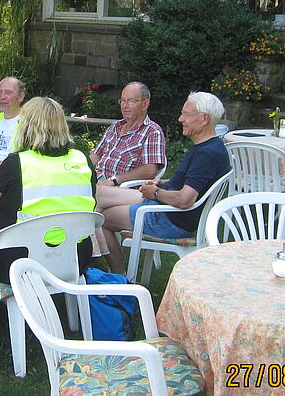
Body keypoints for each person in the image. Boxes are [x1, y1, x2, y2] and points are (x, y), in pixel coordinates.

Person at [95, 92, 231, 274]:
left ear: (204, 118)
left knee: (99, 218)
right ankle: (97, 263)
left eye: (186, 114)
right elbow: (191, 183)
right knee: (97, 195)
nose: (180, 118)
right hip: (166, 207)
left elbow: (185, 200)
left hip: (170, 218)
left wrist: (156, 193)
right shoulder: (210, 147)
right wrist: (162, 182)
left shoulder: (206, 155)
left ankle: (119, 276)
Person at [0, 97, 97, 284]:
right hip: (75, 259)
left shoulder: (17, 162)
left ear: (25, 126)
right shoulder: (82, 160)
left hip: (19, 263)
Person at [90, 81, 166, 187]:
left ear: (145, 104)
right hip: (95, 179)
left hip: (119, 187)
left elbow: (150, 170)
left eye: (131, 101)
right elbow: (96, 155)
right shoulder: (115, 126)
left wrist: (114, 180)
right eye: (122, 101)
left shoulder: (152, 132)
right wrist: (82, 169)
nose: (125, 106)